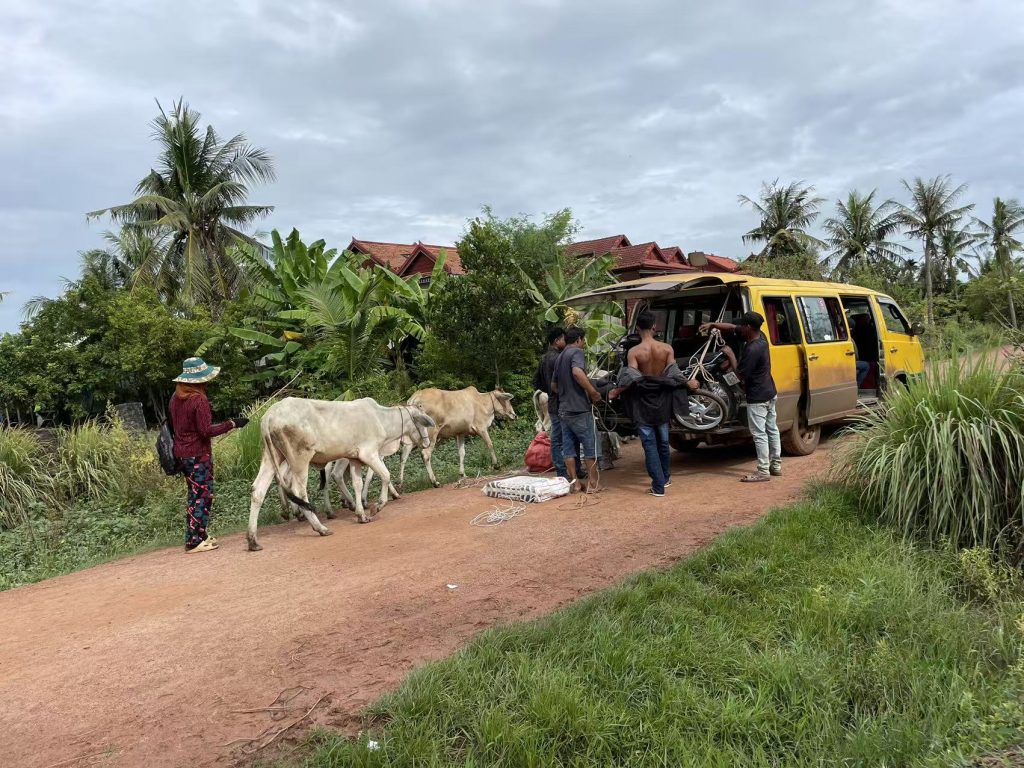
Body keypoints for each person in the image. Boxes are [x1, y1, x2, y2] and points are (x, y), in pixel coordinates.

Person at [610, 311, 696, 496]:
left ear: (638, 329)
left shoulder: (634, 352)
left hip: (642, 402)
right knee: (663, 443)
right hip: (663, 400)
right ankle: (664, 479)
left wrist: (617, 390)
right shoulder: (666, 348)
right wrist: (688, 382)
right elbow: (673, 372)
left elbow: (631, 378)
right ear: (654, 327)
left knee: (649, 444)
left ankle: (658, 486)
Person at [168, 357, 248, 553]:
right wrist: (232, 424)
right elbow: (205, 431)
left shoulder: (175, 398)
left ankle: (199, 534)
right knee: (202, 496)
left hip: (181, 454)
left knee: (195, 495)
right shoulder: (198, 400)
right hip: (197, 455)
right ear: (199, 381)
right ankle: (194, 541)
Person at [700, 312, 780, 482]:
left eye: (743, 326)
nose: (740, 329)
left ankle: (763, 471)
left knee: (759, 434)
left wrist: (731, 356)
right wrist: (714, 324)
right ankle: (776, 465)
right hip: (770, 391)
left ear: (749, 327)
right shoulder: (762, 338)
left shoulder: (752, 349)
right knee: (772, 428)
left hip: (757, 395)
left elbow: (739, 376)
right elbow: (732, 328)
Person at [550, 327, 602, 493]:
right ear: (579, 339)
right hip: (579, 409)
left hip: (563, 410)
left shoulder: (560, 357)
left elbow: (553, 386)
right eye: (583, 341)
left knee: (569, 449)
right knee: (589, 446)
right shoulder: (576, 353)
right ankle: (593, 484)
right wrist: (592, 392)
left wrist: (566, 393)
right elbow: (577, 372)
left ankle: (576, 483)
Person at [534, 327, 584, 480]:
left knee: (560, 438)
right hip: (563, 402)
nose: (566, 341)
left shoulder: (544, 358)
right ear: (557, 341)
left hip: (554, 403)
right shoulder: (560, 358)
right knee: (565, 437)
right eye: (564, 338)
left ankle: (565, 471)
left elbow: (536, 381)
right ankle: (566, 471)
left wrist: (549, 391)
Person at [851, 313, 875, 389]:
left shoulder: (851, 333)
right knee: (866, 366)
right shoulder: (869, 331)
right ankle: (857, 386)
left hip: (861, 357)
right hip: (858, 359)